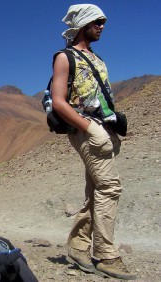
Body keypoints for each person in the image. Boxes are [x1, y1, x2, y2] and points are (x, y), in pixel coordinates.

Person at [51, 4, 136, 280]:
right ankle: (106, 255)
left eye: (103, 22)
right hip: (86, 131)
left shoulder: (97, 58)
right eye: (97, 21)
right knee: (110, 187)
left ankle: (78, 246)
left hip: (103, 128)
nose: (102, 26)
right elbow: (59, 103)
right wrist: (89, 128)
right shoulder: (65, 57)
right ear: (84, 24)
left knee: (96, 190)